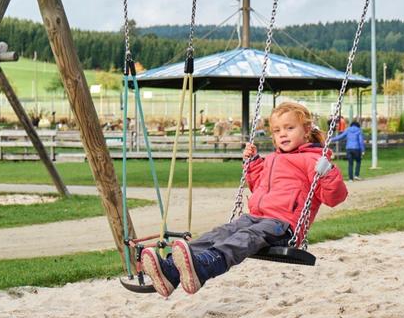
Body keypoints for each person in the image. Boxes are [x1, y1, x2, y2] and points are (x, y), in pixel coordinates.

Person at [140, 101, 348, 298]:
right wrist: (254, 163)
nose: (282, 134)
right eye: (277, 130)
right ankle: (171, 270)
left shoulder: (313, 160)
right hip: (256, 217)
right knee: (221, 232)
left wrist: (327, 171)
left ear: (306, 130)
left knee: (246, 236)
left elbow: (334, 197)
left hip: (283, 227)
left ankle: (205, 266)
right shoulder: (274, 158)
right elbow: (259, 187)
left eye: (289, 128)